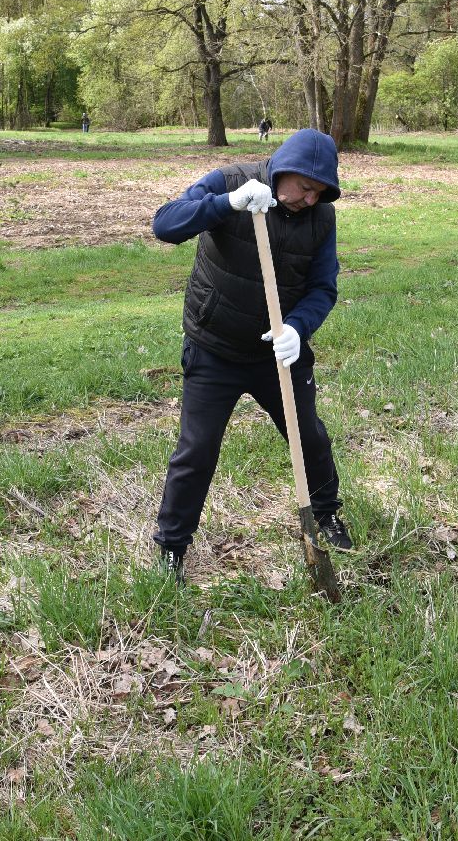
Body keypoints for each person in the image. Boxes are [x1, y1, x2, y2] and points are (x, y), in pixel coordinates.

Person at [149, 128, 351, 581]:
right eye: (305, 187)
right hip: (214, 347)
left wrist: (298, 329)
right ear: (285, 170)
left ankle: (325, 515)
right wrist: (229, 203)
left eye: (321, 192)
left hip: (276, 355)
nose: (310, 199)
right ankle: (171, 546)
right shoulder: (228, 182)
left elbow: (323, 287)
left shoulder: (322, 220)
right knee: (197, 449)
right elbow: (165, 224)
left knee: (310, 437)